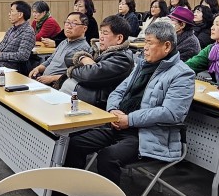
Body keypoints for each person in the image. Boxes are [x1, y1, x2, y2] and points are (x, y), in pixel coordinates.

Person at [61, 19, 194, 185]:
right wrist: (113, 110)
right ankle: (68, 195)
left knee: (108, 157)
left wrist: (129, 120)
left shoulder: (182, 74)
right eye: (145, 42)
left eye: (149, 43)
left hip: (148, 134)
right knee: (74, 144)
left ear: (167, 46)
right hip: (120, 124)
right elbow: (118, 91)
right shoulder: (142, 65)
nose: (144, 47)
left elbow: (171, 113)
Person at [65, 14, 136, 106]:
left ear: (119, 38)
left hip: (94, 105)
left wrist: (72, 70)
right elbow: (68, 57)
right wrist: (84, 58)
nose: (101, 37)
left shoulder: (123, 59)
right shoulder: (97, 49)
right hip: (77, 96)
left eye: (105, 33)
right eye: (100, 32)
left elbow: (90, 76)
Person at [29, 11, 90, 86]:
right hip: (44, 80)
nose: (69, 26)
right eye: (67, 22)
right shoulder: (63, 42)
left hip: (58, 85)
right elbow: (49, 61)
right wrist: (37, 69)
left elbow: (76, 75)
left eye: (74, 23)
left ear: (84, 28)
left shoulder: (83, 49)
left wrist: (52, 78)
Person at [0, 0, 36, 71]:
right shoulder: (11, 29)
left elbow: (22, 55)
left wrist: (0, 55)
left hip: (12, 69)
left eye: (12, 11)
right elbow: (2, 44)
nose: (9, 14)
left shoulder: (28, 31)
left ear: (20, 15)